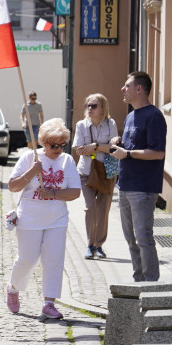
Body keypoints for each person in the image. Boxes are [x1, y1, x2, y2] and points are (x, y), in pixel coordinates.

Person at [5, 118, 81, 319]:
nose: (58, 149)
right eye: (54, 145)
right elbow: (12, 186)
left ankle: (49, 303)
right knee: (27, 260)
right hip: (29, 218)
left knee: (54, 260)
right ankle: (13, 288)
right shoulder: (30, 157)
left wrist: (54, 194)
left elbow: (75, 192)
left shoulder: (67, 161)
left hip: (57, 219)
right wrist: (31, 172)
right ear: (43, 143)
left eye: (62, 144)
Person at [111, 71, 166, 282]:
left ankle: (151, 285)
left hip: (143, 188)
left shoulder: (154, 116)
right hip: (124, 185)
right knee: (131, 238)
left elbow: (158, 152)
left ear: (139, 89)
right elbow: (133, 146)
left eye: (127, 86)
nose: (122, 89)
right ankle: (138, 282)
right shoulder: (131, 115)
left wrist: (128, 153)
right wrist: (120, 142)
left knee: (144, 238)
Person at [71, 93, 118, 260]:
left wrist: (94, 146)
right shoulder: (82, 125)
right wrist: (102, 147)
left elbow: (113, 148)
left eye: (94, 106)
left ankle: (99, 245)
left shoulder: (110, 124)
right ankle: (90, 245)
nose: (89, 109)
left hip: (106, 173)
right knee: (91, 208)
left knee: (103, 210)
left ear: (102, 108)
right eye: (88, 105)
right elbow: (78, 149)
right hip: (86, 172)